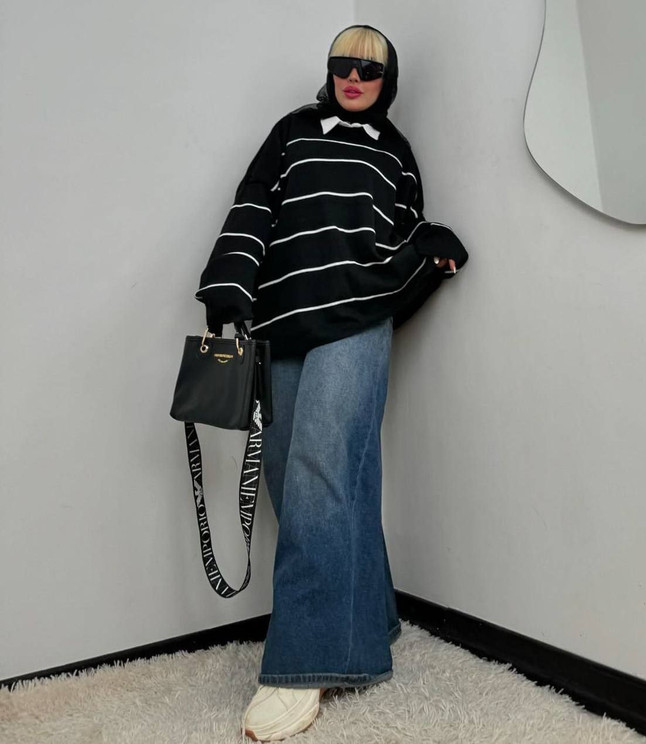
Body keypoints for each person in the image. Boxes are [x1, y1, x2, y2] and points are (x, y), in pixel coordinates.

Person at [194, 23, 469, 742]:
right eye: (344, 65)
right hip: (280, 321)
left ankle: (303, 663)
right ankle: (368, 622)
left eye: (369, 71)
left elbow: (402, 231)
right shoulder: (292, 132)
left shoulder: (395, 151)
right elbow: (254, 205)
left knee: (322, 471)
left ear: (388, 83)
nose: (354, 78)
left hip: (355, 320)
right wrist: (228, 289)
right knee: (298, 477)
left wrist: (430, 245)